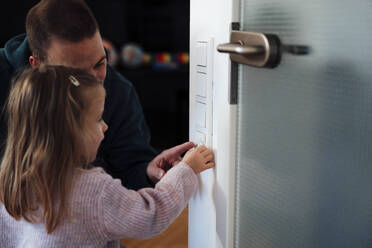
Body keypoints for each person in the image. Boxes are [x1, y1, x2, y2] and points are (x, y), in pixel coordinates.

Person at [0, 65, 215, 247]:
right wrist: (186, 169)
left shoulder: (10, 183)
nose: (105, 127)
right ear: (69, 132)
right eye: (97, 119)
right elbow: (152, 214)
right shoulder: (93, 190)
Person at [0, 0, 193, 190]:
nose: (94, 81)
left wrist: (147, 171)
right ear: (37, 64)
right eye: (77, 73)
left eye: (100, 63)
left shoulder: (119, 92)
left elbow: (131, 168)